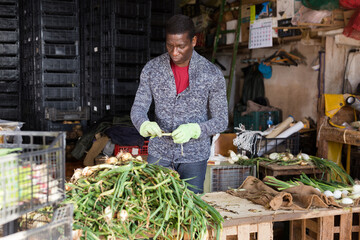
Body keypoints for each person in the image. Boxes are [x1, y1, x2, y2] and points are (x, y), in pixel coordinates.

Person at [131, 14, 228, 194]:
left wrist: (196, 130)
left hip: (194, 157)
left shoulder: (211, 74)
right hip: (159, 154)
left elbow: (222, 120)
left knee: (191, 209)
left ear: (193, 41)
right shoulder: (152, 69)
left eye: (181, 46)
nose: (175, 52)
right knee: (153, 205)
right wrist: (143, 123)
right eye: (170, 45)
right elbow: (138, 108)